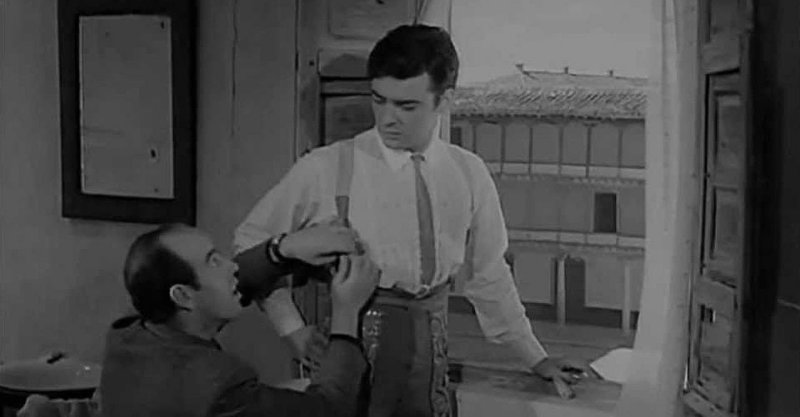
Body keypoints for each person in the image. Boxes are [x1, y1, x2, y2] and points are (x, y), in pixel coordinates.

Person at [234, 24, 594, 417]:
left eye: (406, 106)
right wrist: (291, 329)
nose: (388, 119)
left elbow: (488, 274)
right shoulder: (327, 167)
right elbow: (251, 242)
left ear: (444, 100)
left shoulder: (468, 172)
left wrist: (535, 358)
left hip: (429, 366)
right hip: (351, 361)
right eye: (379, 101)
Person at [98, 223, 379, 417]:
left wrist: (282, 249)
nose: (231, 266)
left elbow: (225, 288)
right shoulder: (216, 385)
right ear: (183, 296)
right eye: (213, 261)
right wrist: (346, 313)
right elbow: (331, 410)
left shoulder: (131, 337)